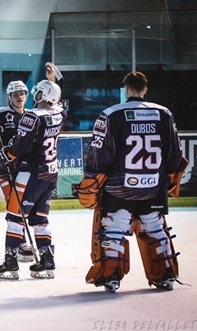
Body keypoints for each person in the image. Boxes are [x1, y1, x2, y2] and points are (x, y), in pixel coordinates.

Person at [75, 71, 184, 293]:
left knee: (114, 230)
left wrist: (91, 177)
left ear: (125, 90)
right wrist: (169, 177)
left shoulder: (111, 114)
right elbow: (174, 154)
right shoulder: (164, 113)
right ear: (145, 89)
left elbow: (101, 154)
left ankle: (111, 277)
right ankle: (165, 275)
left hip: (120, 187)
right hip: (153, 186)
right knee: (154, 228)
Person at [0, 79, 66, 280]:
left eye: (38, 92)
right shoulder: (58, 113)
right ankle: (47, 260)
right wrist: (54, 82)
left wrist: (7, 155)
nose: (34, 95)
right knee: (40, 219)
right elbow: (58, 106)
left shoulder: (32, 116)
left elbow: (20, 147)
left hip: (30, 174)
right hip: (50, 173)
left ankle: (11, 263)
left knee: (15, 217)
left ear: (44, 95)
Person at [0, 80, 35, 265]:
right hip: (6, 170)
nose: (20, 97)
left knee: (23, 206)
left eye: (22, 93)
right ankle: (21, 243)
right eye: (15, 94)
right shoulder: (1, 114)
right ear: (9, 97)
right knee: (15, 206)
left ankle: (20, 242)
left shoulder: (31, 116)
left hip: (25, 169)